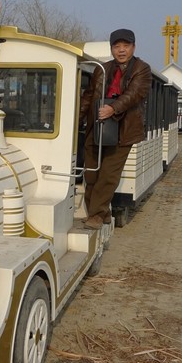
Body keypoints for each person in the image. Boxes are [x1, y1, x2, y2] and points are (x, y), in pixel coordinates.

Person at [79, 29, 151, 229]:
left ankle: (95, 215)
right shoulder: (101, 68)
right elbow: (88, 96)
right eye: (117, 46)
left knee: (108, 175)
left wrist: (113, 108)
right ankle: (103, 213)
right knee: (91, 173)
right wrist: (76, 120)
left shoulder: (142, 69)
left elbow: (134, 94)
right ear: (111, 49)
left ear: (133, 47)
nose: (121, 50)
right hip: (98, 126)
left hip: (124, 130)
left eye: (125, 46)